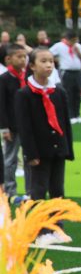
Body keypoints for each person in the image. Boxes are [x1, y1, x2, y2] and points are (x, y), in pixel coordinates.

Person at [14, 47, 74, 245]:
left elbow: (65, 123)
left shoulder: (59, 92)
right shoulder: (24, 94)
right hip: (39, 152)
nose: (49, 65)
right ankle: (40, 231)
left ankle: (57, 227)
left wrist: (67, 149)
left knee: (58, 190)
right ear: (32, 66)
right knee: (38, 192)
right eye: (43, 61)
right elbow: (25, 127)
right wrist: (31, 154)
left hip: (58, 149)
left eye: (51, 61)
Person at [1, 43, 29, 197]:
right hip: (12, 126)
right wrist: (4, 128)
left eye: (24, 56)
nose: (23, 59)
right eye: (19, 57)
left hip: (27, 125)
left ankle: (31, 191)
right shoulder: (4, 79)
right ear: (8, 59)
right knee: (10, 159)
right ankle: (10, 191)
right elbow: (2, 106)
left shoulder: (27, 77)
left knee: (30, 157)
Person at [49, 31, 81, 124]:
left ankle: (77, 114)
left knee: (77, 93)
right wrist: (56, 60)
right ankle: (70, 115)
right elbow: (49, 53)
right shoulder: (59, 46)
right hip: (66, 72)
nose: (75, 42)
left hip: (78, 72)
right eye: (73, 40)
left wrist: (78, 52)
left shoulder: (78, 46)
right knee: (68, 93)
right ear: (67, 39)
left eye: (76, 40)